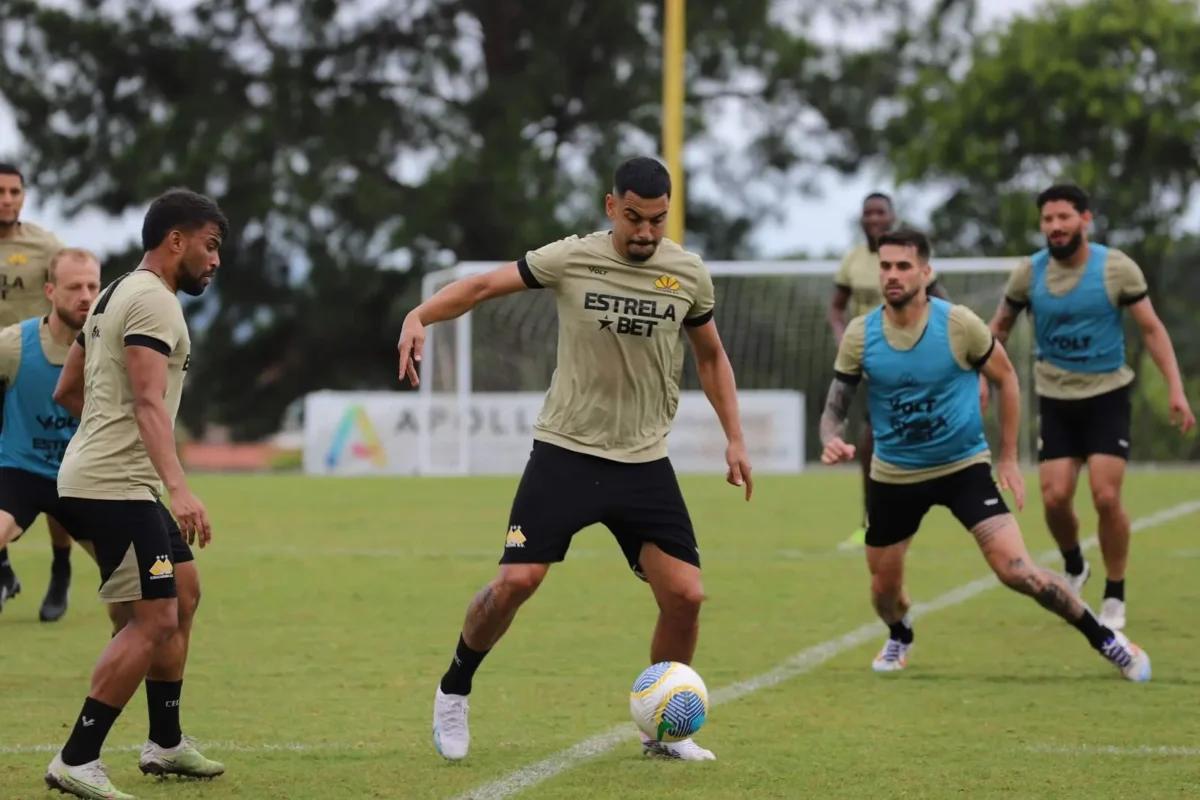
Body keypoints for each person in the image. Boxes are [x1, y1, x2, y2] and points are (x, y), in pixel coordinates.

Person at [397, 157, 751, 763]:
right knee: (515, 583)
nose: (645, 233)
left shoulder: (687, 275)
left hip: (643, 461)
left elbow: (712, 357)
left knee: (686, 597)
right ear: (612, 207)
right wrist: (420, 314)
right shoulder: (571, 257)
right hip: (565, 452)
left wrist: (735, 438)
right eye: (635, 219)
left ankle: (663, 730)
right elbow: (482, 287)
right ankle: (454, 687)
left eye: (658, 221)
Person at [819, 228, 1150, 682]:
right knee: (884, 591)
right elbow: (835, 404)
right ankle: (900, 632)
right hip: (894, 477)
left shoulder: (958, 324)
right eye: (886, 267)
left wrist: (1009, 458)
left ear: (925, 271)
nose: (892, 275)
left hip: (963, 468)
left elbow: (1007, 378)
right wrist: (830, 436)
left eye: (903, 266)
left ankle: (1108, 640)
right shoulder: (860, 334)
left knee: (1018, 571)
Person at [43, 188, 228, 800]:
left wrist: (107, 434)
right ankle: (77, 758)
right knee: (152, 618)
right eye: (210, 245)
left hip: (116, 479)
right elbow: (148, 403)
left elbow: (69, 391)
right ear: (175, 240)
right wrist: (179, 488)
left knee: (184, 590)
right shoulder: (154, 304)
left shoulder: (113, 294)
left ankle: (166, 743)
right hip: (116, 486)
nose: (214, 260)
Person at [988, 184, 1194, 631]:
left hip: (1106, 396)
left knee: (1105, 495)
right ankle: (1075, 564)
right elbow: (998, 329)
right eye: (1047, 219)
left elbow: (1153, 330)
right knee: (1054, 497)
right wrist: (974, 378)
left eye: (1064, 217)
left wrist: (1175, 388)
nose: (1055, 226)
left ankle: (1115, 593)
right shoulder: (1029, 273)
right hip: (1056, 398)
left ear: (1085, 219)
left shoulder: (1116, 268)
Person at [827, 193, 949, 549]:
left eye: (881, 212)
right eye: (868, 213)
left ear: (893, 217)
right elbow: (836, 309)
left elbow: (941, 301)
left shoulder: (906, 258)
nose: (874, 218)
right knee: (871, 444)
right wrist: (843, 339)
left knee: (910, 438)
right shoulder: (853, 260)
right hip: (876, 363)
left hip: (912, 356)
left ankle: (909, 513)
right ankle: (872, 522)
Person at [0, 161, 86, 621]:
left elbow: (74, 293)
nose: (8, 199)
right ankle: (4, 568)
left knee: (52, 468)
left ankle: (61, 569)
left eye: (14, 191)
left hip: (36, 370)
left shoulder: (44, 246)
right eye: (1, 191)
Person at [0, 249, 104, 614]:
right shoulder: (13, 345)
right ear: (50, 291)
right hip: (21, 470)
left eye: (93, 286)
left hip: (81, 475)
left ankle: (62, 574)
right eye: (75, 286)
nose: (86, 296)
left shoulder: (112, 351)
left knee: (133, 578)